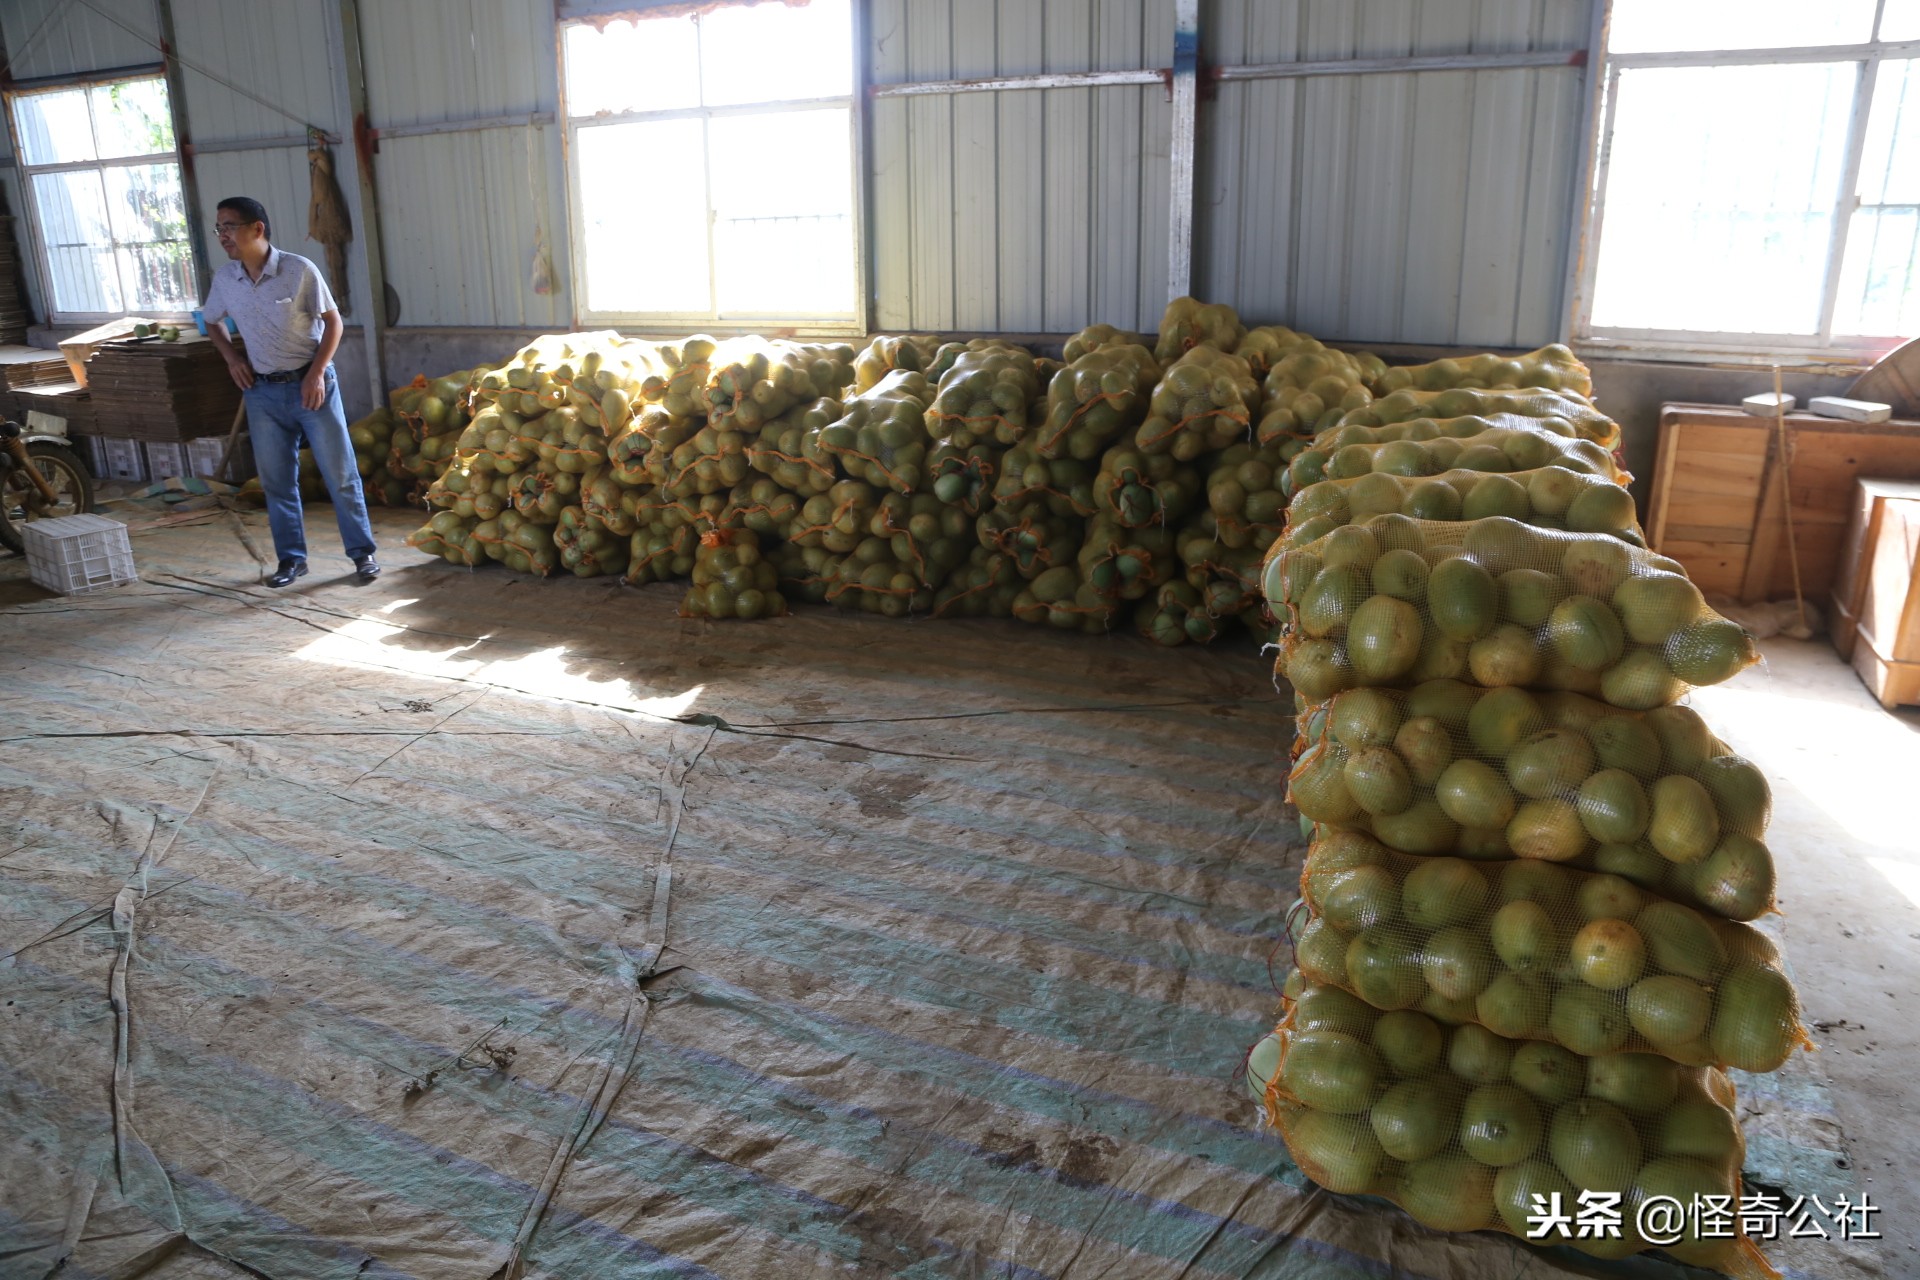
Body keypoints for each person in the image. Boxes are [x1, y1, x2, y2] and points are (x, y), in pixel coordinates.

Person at [202, 196, 379, 587]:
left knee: (340, 474)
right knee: (277, 482)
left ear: (257, 229)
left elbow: (333, 324)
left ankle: (362, 554)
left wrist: (316, 374)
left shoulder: (299, 270)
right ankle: (292, 561)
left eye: (229, 226)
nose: (222, 235)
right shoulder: (225, 280)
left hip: (312, 388)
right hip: (263, 393)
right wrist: (232, 358)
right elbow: (210, 320)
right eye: (219, 228)